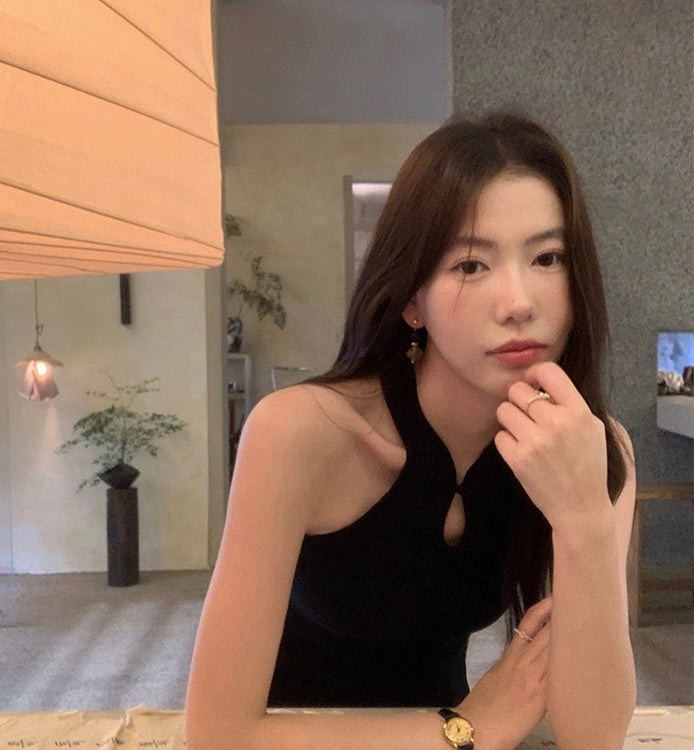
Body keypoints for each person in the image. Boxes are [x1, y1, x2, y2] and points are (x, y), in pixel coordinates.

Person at [186, 112, 637, 749]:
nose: (518, 303)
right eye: (471, 265)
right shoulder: (299, 433)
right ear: (411, 299)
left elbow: (593, 736)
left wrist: (585, 521)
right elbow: (217, 736)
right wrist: (470, 727)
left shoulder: (591, 450)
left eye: (547, 257)